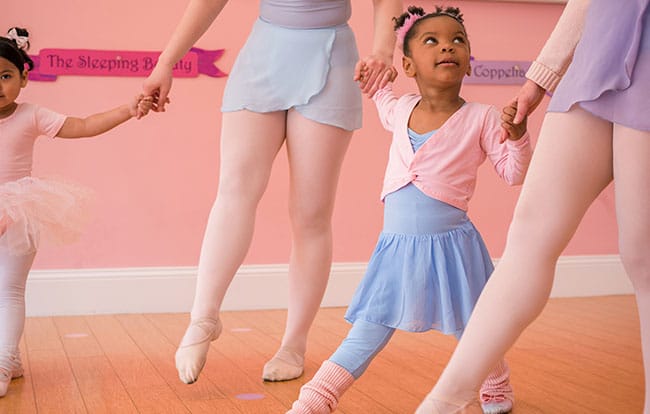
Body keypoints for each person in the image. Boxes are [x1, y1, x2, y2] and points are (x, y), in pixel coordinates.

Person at [141, 0, 403, 384]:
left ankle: (293, 344)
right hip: (264, 54)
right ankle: (203, 317)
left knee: (311, 213)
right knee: (235, 189)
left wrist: (382, 50)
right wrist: (166, 62)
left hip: (333, 60)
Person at [287, 6, 533, 414]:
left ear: (469, 60)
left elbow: (513, 173)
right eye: (431, 41)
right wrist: (370, 67)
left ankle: (495, 381)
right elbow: (376, 86)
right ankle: (315, 400)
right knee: (367, 330)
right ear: (407, 65)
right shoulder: (399, 108)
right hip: (396, 249)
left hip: (455, 248)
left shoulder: (482, 118)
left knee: (474, 327)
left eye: (457, 40)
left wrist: (519, 136)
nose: (447, 47)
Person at [416, 0, 650, 413]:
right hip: (598, 51)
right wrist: (538, 80)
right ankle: (445, 401)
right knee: (529, 234)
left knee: (642, 255)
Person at [0, 27, 153, 398]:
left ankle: (2, 360)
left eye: (4, 76)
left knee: (9, 289)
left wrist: (128, 109)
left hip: (20, 211)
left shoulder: (31, 115)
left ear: (23, 78)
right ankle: (12, 358)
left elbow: (83, 126)